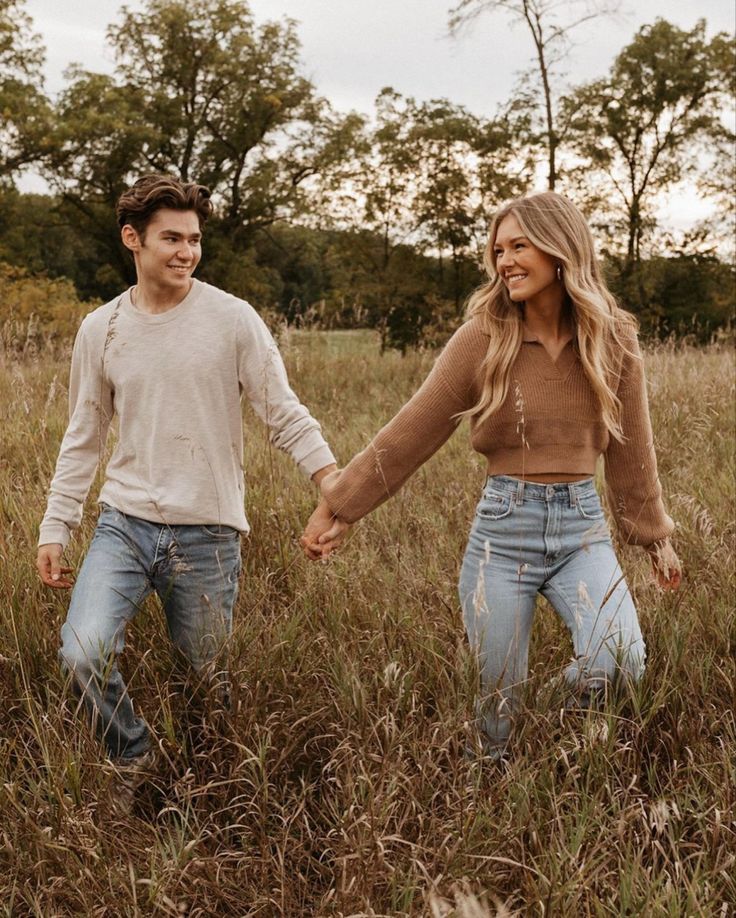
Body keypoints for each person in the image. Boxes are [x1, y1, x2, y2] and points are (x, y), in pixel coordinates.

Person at [301, 191, 681, 759]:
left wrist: (654, 538)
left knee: (621, 661)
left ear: (561, 251)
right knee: (495, 716)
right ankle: (496, 789)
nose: (504, 262)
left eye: (518, 246)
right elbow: (412, 430)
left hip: (582, 533)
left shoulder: (613, 339)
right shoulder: (484, 336)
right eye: (498, 250)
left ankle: (539, 707)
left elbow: (632, 449)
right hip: (502, 538)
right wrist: (342, 504)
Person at [37, 174, 337, 792]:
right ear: (133, 239)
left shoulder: (232, 319)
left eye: (194, 239)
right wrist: (56, 525)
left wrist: (334, 483)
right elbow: (84, 433)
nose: (186, 252)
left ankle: (208, 789)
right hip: (125, 523)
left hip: (208, 532)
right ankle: (135, 757)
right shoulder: (102, 328)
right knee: (83, 650)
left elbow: (281, 410)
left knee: (204, 684)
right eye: (171, 238)